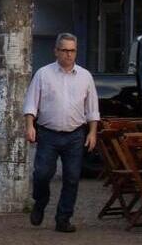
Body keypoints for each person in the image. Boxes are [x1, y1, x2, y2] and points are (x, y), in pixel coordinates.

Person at [24, 33, 99, 233]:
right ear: (56, 51)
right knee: (42, 174)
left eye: (72, 50)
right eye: (64, 50)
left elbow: (92, 109)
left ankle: (63, 219)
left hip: (75, 135)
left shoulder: (85, 76)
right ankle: (40, 201)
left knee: (72, 178)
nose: (68, 54)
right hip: (48, 134)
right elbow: (31, 103)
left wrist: (92, 133)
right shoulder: (43, 74)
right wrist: (30, 126)